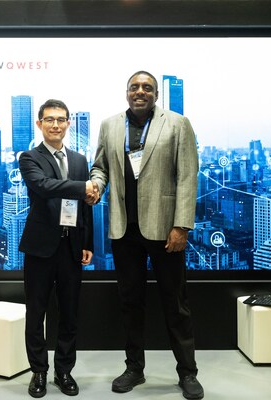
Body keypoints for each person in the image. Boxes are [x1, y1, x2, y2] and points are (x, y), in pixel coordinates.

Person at [88, 71, 203, 399]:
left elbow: (187, 175)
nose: (140, 92)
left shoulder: (177, 123)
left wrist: (181, 225)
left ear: (156, 94)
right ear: (127, 92)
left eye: (147, 88)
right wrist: (96, 185)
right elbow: (100, 167)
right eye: (134, 87)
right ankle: (134, 368)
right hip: (124, 229)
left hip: (165, 229)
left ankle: (187, 372)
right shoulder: (110, 125)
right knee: (130, 303)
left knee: (175, 304)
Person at [18, 99, 95, 398]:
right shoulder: (30, 157)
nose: (55, 125)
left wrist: (87, 242)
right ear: (39, 124)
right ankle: (39, 370)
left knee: (69, 313)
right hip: (40, 247)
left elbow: (85, 207)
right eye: (49, 119)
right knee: (36, 312)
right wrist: (82, 186)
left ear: (68, 124)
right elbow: (43, 186)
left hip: (71, 246)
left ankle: (64, 370)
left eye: (61, 119)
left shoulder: (79, 160)